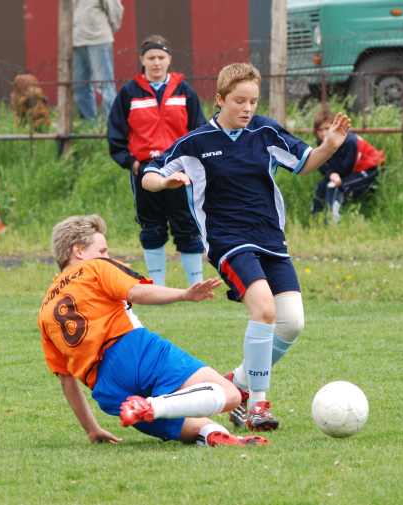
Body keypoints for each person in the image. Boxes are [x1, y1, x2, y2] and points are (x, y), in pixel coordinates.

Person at [142, 63, 351, 432]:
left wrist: (329, 146)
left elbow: (303, 163)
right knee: (265, 310)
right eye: (239, 100)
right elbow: (149, 174)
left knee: (292, 323)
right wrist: (165, 182)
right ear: (220, 99)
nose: (247, 108)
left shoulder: (265, 131)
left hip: (270, 238)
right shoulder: (196, 143)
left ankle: (237, 381)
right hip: (227, 241)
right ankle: (257, 405)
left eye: (253, 101)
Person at [38, 214, 270, 448]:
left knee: (194, 424)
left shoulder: (45, 311)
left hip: (106, 389)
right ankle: (151, 405)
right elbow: (136, 292)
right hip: (133, 350)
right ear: (78, 251)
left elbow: (67, 381)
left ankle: (211, 434)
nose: (106, 256)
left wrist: (92, 429)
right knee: (230, 395)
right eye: (102, 250)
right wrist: (184, 294)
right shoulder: (95, 267)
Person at [108, 35, 206, 287]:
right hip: (145, 170)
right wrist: (135, 166)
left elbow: (199, 131)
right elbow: (115, 137)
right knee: (152, 228)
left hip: (181, 172)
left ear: (169, 59)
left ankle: (196, 287)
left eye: (161, 57)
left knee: (187, 226)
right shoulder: (129, 92)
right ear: (142, 60)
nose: (156, 62)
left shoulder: (184, 91)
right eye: (151, 57)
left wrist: (191, 165)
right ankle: (158, 288)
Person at [310, 108, 385, 223]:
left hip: (370, 169)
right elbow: (320, 164)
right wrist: (331, 174)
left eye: (327, 128)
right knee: (322, 185)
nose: (324, 133)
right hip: (349, 170)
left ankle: (331, 222)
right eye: (320, 130)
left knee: (336, 186)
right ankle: (314, 219)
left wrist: (332, 173)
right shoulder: (323, 142)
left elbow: (345, 168)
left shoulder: (348, 141)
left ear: (335, 127)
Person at [72, 0, 123, 122]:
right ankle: (87, 123)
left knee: (104, 84)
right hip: (76, 40)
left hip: (99, 39)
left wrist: (103, 31)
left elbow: (116, 11)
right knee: (79, 85)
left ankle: (111, 123)